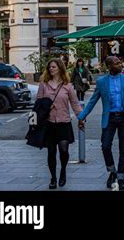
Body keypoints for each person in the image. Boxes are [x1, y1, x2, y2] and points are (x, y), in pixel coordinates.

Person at [78, 56, 124, 190]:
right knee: (105, 146)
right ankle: (112, 171)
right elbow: (92, 100)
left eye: (120, 62)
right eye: (117, 63)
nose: (121, 64)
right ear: (109, 66)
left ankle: (121, 178)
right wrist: (82, 116)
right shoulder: (102, 82)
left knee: (123, 149)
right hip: (110, 118)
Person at [37, 58, 83, 189]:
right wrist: (44, 108)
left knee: (64, 150)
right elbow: (38, 102)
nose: (51, 69)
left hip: (64, 122)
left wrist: (81, 117)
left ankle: (63, 170)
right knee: (51, 152)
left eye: (54, 67)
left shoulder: (67, 85)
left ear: (60, 69)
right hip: (49, 123)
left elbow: (75, 103)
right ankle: (53, 178)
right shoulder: (44, 84)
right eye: (50, 67)